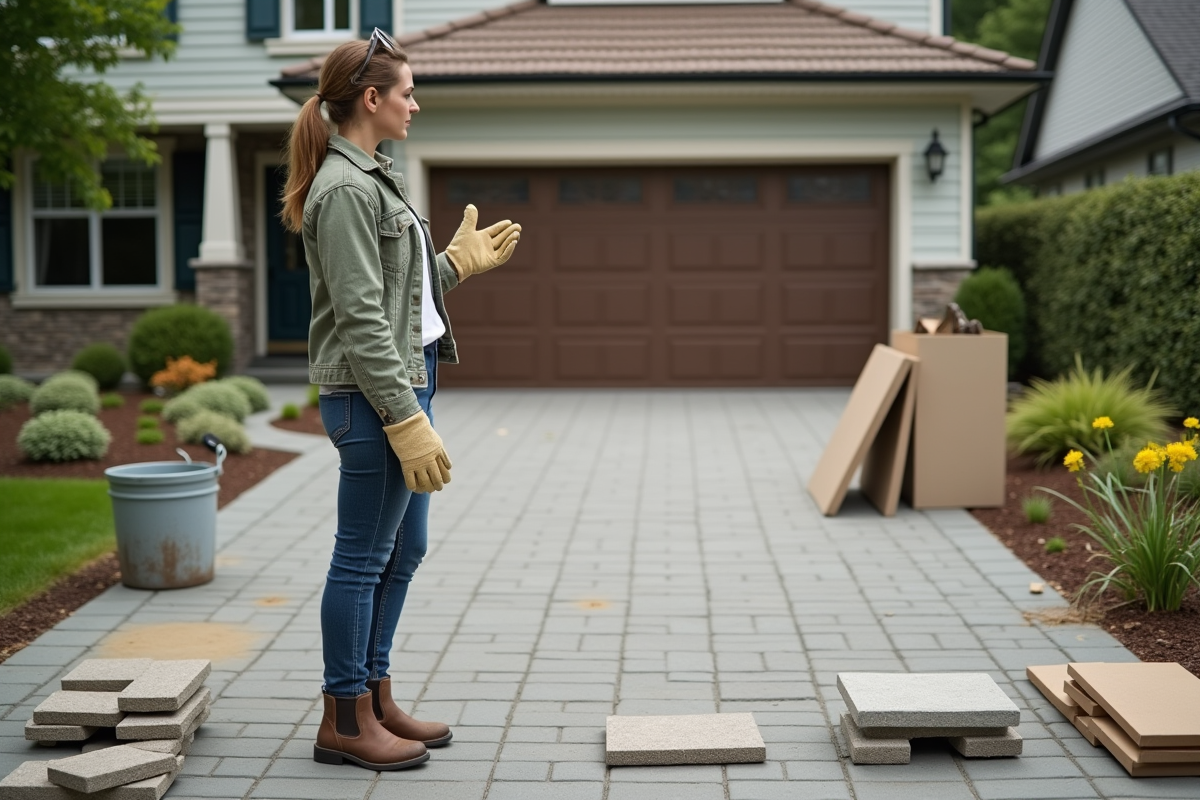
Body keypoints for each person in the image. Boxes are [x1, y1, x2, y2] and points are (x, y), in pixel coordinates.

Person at [279, 29, 521, 771]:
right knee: (361, 559)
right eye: (407, 91)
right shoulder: (347, 189)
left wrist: (451, 264)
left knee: (403, 549)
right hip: (375, 396)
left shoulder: (377, 175)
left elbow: (393, 298)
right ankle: (344, 719)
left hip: (406, 381)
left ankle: (377, 698)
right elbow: (356, 321)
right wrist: (403, 415)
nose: (416, 103)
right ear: (372, 98)